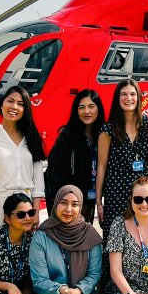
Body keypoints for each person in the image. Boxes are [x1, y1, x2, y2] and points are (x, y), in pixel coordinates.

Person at [96, 79, 148, 294]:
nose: (129, 98)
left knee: (138, 245)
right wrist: (99, 202)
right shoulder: (108, 129)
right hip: (116, 195)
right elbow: (101, 166)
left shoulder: (146, 124)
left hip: (141, 198)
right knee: (113, 246)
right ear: (118, 99)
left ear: (138, 98)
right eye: (124, 95)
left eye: (132, 94)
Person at [0, 85, 45, 233]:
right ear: (2, 104)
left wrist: (36, 212)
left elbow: (38, 182)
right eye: (10, 101)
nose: (14, 107)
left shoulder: (33, 138)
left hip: (26, 209)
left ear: (26, 109)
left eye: (20, 104)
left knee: (25, 253)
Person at [44, 89, 105, 222]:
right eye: (81, 107)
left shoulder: (102, 135)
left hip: (89, 199)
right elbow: (55, 174)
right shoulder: (68, 135)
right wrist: (64, 204)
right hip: (69, 203)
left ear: (98, 109)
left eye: (91, 106)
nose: (86, 111)